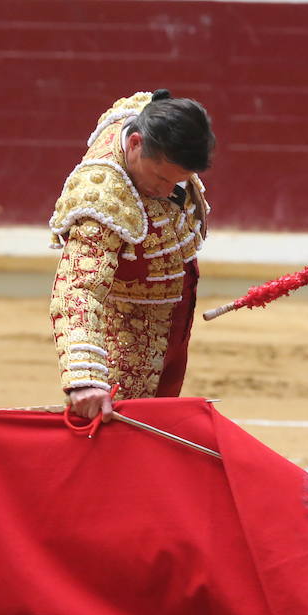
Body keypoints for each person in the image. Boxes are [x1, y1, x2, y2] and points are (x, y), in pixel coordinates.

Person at [49, 90, 216, 421]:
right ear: (136, 143)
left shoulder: (152, 118)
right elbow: (77, 289)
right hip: (128, 327)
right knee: (123, 425)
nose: (168, 192)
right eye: (161, 178)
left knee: (160, 414)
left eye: (178, 181)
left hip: (174, 309)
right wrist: (84, 379)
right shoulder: (102, 198)